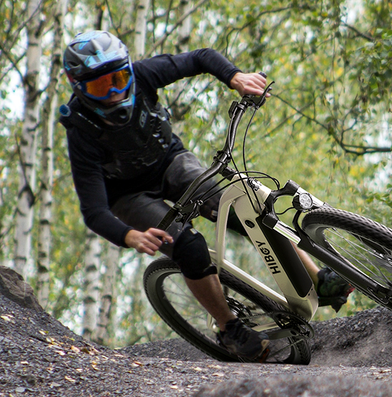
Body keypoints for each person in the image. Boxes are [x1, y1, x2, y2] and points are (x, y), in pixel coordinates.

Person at [59, 30, 352, 361]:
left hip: (170, 161)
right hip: (128, 195)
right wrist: (128, 235)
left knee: (244, 207)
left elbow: (199, 57)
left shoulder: (143, 74)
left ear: (129, 68)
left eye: (119, 78)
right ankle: (230, 329)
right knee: (189, 247)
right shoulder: (81, 131)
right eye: (100, 86)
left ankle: (318, 280)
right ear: (79, 88)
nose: (113, 92)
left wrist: (235, 77)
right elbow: (94, 211)